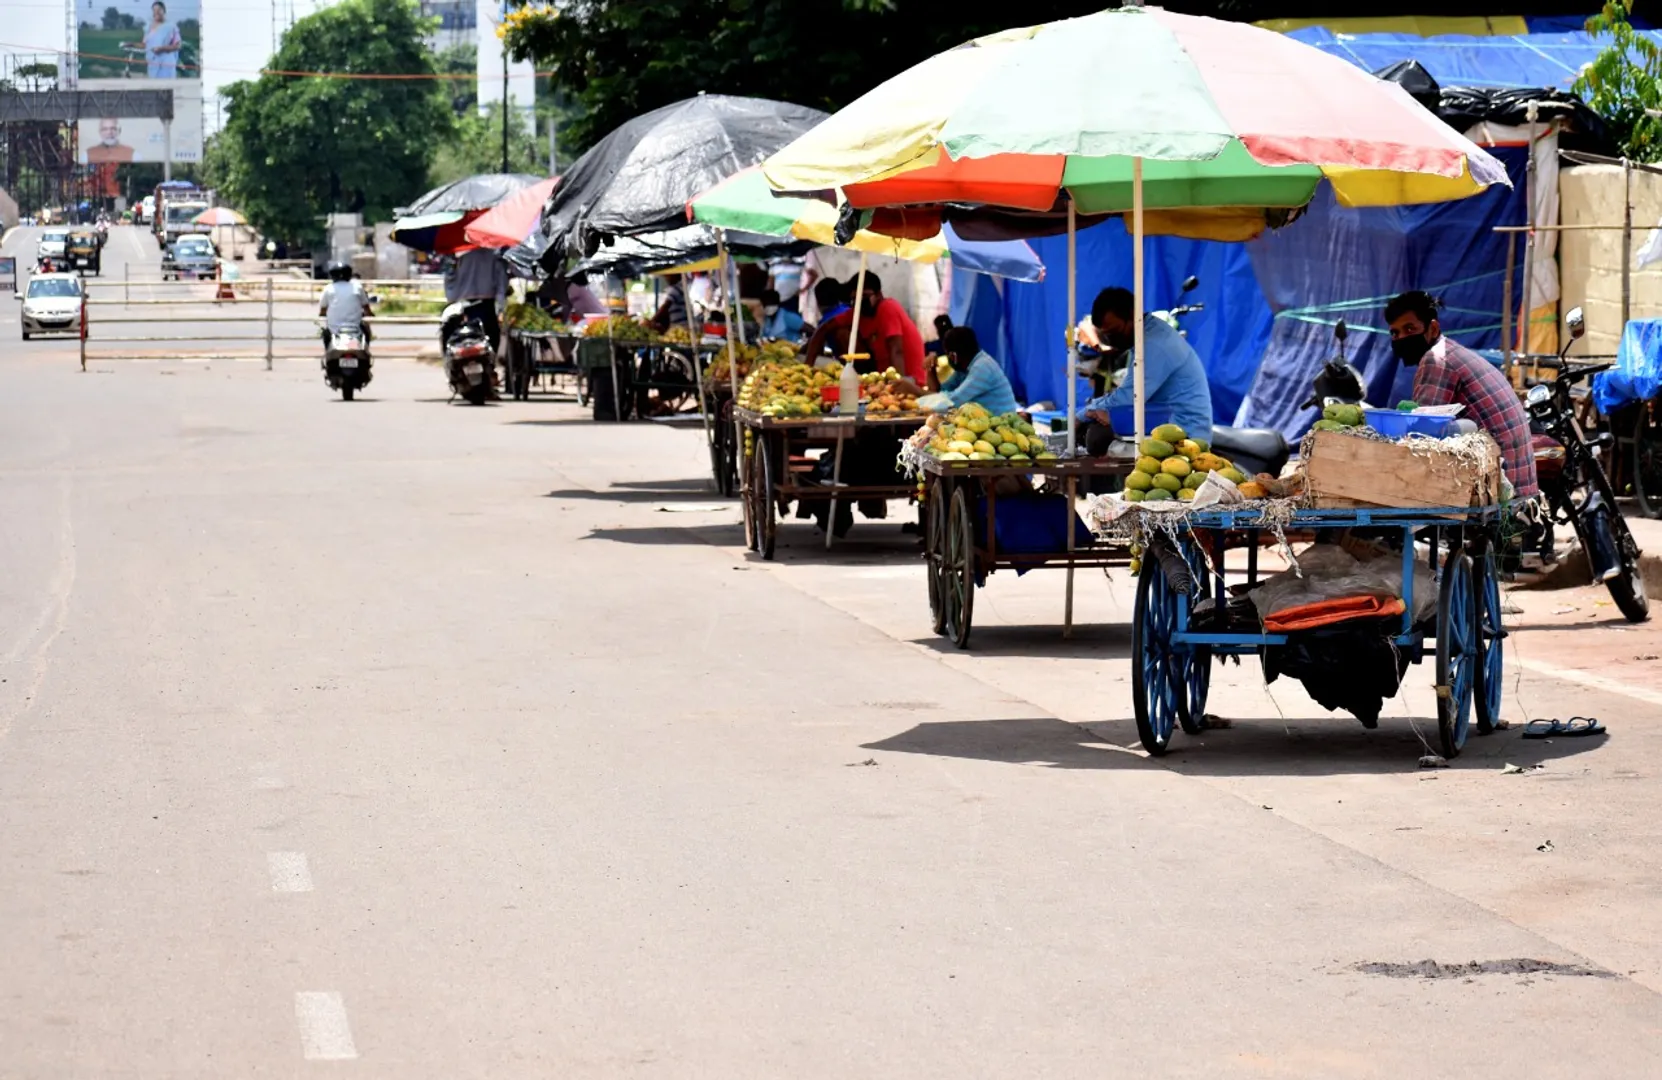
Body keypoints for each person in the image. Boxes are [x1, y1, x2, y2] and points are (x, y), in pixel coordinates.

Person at [1385, 290, 1538, 498]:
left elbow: (1420, 436)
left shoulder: (1437, 360)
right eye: (1395, 333)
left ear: (1433, 328)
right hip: (1518, 484)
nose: (1402, 338)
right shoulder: (1451, 351)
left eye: (1410, 329)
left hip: (1503, 491)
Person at [1077, 286, 1213, 455]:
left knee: (1101, 444)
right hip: (1163, 428)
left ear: (1132, 314)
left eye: (1115, 332)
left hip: (1187, 439)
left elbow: (1129, 397)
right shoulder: (1145, 335)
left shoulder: (1155, 344)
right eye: (1105, 335)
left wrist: (1080, 416)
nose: (1111, 340)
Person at [852, 271, 927, 383]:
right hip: (883, 380)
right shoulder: (862, 315)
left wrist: (898, 385)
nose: (860, 301)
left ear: (878, 295)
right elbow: (828, 325)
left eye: (865, 296)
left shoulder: (888, 307)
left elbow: (897, 350)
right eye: (855, 298)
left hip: (910, 380)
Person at [930, 327, 1020, 416]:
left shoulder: (982, 367)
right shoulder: (965, 368)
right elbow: (940, 390)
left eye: (947, 355)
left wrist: (917, 392)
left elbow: (954, 401)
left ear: (953, 356)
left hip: (1002, 425)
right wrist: (930, 369)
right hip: (986, 422)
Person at [442, 246, 508, 352]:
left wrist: (452, 299)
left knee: (458, 337)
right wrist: (501, 306)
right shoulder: (495, 259)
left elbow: (450, 280)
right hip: (486, 305)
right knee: (492, 335)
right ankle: (491, 363)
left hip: (464, 305)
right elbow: (501, 284)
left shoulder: (463, 259)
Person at [318, 261, 371, 350]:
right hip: (355, 327)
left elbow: (323, 309)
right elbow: (366, 306)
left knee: (326, 335)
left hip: (334, 328)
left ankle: (328, 353)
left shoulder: (328, 288)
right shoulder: (357, 287)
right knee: (366, 332)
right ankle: (366, 351)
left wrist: (322, 314)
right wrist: (369, 314)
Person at [125, 1, 182, 79]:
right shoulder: (148, 28)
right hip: (153, 64)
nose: (156, 12)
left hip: (167, 64)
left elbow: (178, 46)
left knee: (167, 87)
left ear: (164, 11)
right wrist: (132, 44)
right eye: (154, 10)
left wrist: (162, 48)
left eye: (159, 10)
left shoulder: (171, 27)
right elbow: (144, 45)